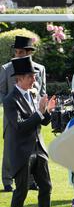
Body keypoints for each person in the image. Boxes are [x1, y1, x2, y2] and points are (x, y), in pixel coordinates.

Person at [3, 56, 65, 207]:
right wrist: (39, 112)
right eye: (30, 76)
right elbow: (20, 126)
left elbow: (43, 122)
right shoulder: (10, 100)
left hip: (39, 148)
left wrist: (47, 110)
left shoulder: (32, 94)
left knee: (46, 186)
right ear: (19, 78)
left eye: (34, 76)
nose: (34, 79)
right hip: (22, 151)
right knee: (21, 191)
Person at [1, 35, 46, 192]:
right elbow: (1, 93)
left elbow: (42, 91)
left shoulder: (40, 69)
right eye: (17, 52)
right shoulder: (7, 69)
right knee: (9, 149)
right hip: (13, 116)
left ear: (29, 53)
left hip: (33, 115)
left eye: (21, 52)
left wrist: (41, 107)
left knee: (33, 147)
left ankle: (31, 180)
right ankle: (7, 180)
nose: (18, 55)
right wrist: (13, 103)